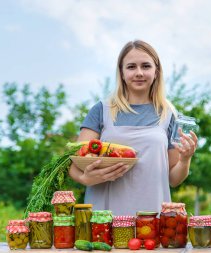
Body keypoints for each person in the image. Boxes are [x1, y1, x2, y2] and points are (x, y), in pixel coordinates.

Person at [69, 40, 198, 215]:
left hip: (152, 218)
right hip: (104, 219)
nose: (139, 73)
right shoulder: (102, 110)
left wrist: (185, 159)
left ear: (156, 72)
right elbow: (74, 164)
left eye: (146, 66)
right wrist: (85, 178)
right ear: (121, 73)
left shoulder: (169, 115)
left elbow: (173, 179)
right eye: (131, 67)